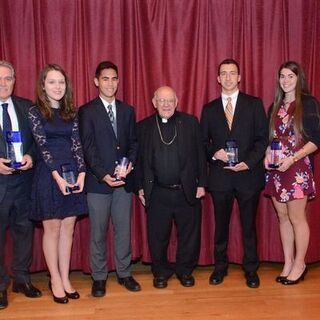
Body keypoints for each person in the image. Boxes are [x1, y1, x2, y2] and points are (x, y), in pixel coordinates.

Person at [200, 59, 268, 288]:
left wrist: (248, 163)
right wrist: (214, 153)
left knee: (249, 226)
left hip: (248, 176)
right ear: (218, 78)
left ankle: (251, 269)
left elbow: (262, 139)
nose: (228, 78)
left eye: (232, 73)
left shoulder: (254, 104)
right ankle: (220, 268)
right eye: (224, 74)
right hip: (220, 178)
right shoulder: (209, 109)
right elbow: (202, 142)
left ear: (239, 77)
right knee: (220, 226)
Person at [79, 61, 140, 297]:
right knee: (98, 232)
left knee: (123, 230)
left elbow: (133, 143)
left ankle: (124, 273)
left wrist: (130, 164)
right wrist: (103, 175)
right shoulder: (87, 111)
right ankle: (99, 277)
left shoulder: (127, 110)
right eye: (105, 79)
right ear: (96, 81)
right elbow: (88, 147)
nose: (110, 83)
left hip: (124, 183)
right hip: (98, 183)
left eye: (114, 78)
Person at [136, 86, 206, 289]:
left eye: (170, 101)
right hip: (157, 192)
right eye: (161, 100)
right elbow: (139, 162)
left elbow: (200, 155)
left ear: (176, 102)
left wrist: (202, 183)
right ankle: (161, 272)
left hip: (187, 190)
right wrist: (140, 187)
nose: (166, 105)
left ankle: (185, 271)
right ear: (154, 102)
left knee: (189, 235)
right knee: (158, 237)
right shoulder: (144, 127)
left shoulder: (191, 122)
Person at [28, 64, 87, 304]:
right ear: (43, 85)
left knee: (68, 228)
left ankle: (65, 277)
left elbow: (77, 144)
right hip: (49, 174)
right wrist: (57, 176)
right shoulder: (34, 112)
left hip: (71, 172)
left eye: (61, 82)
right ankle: (54, 280)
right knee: (52, 228)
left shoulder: (71, 111)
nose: (57, 86)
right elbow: (42, 147)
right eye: (52, 82)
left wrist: (81, 172)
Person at [264, 61, 320, 285]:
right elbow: (271, 139)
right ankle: (287, 262)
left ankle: (300, 263)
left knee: (297, 218)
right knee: (283, 217)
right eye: (282, 76)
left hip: (296, 168)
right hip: (277, 170)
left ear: (299, 79)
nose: (285, 80)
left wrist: (293, 158)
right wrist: (268, 154)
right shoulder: (274, 106)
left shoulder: (308, 103)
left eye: (290, 76)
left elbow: (316, 139)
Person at [0, 60, 42, 309]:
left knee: (24, 233)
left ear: (14, 81)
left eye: (7, 78)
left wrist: (31, 157)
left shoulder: (28, 108)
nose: (3, 83)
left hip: (24, 183)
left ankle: (22, 279)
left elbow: (38, 142)